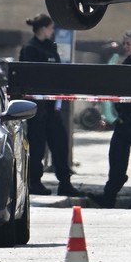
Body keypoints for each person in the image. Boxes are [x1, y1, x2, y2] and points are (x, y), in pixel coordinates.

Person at [89, 30, 131, 209]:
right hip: (124, 122)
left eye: (129, 43)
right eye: (124, 43)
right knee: (116, 157)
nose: (125, 47)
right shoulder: (128, 62)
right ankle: (109, 195)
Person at [19, 12, 82, 197]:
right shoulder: (30, 49)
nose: (53, 31)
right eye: (51, 28)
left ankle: (65, 181)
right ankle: (34, 182)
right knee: (37, 146)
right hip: (37, 107)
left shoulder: (50, 48)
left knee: (60, 144)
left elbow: (57, 73)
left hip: (52, 106)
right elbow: (28, 76)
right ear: (43, 28)